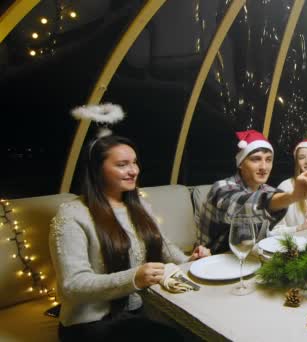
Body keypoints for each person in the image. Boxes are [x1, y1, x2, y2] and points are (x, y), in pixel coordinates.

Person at [49, 135, 211, 341]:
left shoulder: (139, 205)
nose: (134, 170)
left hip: (138, 311)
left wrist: (190, 261)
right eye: (122, 164)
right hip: (91, 323)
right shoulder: (72, 215)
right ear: (97, 169)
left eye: (134, 162)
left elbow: (164, 247)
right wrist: (134, 278)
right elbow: (72, 285)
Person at [199, 130, 307, 253]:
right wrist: (293, 196)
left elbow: (270, 233)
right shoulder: (221, 188)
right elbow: (243, 206)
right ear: (240, 163)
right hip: (211, 261)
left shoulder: (269, 190)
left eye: (268, 160)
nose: (264, 167)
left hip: (251, 260)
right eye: (256, 159)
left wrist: (300, 227)